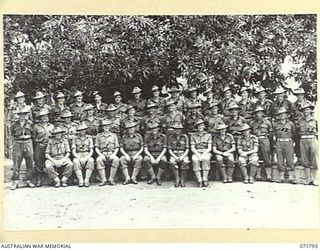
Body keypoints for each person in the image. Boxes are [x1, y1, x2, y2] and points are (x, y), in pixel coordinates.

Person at [10, 108, 36, 190]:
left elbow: (33, 134)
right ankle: (15, 182)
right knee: (16, 162)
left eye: (24, 114)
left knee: (30, 162)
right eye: (20, 114)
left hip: (28, 142)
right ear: (18, 115)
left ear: (26, 115)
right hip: (18, 143)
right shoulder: (14, 124)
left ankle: (29, 180)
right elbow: (12, 134)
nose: (22, 116)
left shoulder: (30, 123)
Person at [250, 106, 273, 181]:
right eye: (257, 113)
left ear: (262, 113)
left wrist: (269, 142)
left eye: (260, 113)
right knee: (257, 156)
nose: (258, 114)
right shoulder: (252, 123)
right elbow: (250, 133)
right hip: (256, 140)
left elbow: (270, 133)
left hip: (264, 139)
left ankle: (269, 175)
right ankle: (258, 174)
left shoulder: (267, 122)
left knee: (266, 157)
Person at [297, 103, 318, 185]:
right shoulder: (299, 120)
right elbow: (297, 132)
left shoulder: (315, 120)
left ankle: (315, 178)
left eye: (307, 109)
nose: (306, 111)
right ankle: (308, 178)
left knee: (314, 159)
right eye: (304, 110)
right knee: (305, 159)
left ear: (310, 110)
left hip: (312, 139)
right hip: (303, 140)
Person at [273, 107, 296, 183]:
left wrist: (293, 142)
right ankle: (281, 176)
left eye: (284, 114)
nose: (282, 115)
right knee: (280, 159)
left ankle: (291, 177)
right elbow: (273, 134)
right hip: (279, 142)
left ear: (287, 115)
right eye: (280, 114)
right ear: (278, 116)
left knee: (290, 159)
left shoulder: (291, 124)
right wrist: (275, 143)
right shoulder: (276, 124)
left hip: (288, 142)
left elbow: (294, 133)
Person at [32, 108, 54, 187]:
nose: (45, 118)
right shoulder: (36, 127)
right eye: (43, 116)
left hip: (49, 146)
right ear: (40, 118)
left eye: (46, 116)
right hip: (40, 145)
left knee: (50, 162)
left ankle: (52, 178)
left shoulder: (51, 126)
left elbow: (54, 137)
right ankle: (39, 179)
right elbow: (34, 138)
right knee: (39, 162)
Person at [95, 119, 120, 186]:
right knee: (98, 160)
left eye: (108, 126)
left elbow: (117, 147)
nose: (106, 127)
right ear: (102, 127)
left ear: (110, 126)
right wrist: (100, 155)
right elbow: (96, 147)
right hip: (102, 153)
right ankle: (103, 180)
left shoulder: (114, 136)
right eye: (104, 126)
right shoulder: (98, 136)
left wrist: (114, 154)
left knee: (116, 159)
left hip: (112, 153)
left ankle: (111, 179)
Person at [190, 119, 212, 187]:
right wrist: (198, 155)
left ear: (204, 126)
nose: (200, 127)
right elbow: (193, 148)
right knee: (195, 160)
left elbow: (209, 148)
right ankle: (199, 179)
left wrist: (203, 155)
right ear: (197, 127)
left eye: (202, 125)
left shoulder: (208, 135)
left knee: (206, 159)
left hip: (205, 152)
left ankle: (205, 179)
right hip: (197, 152)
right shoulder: (193, 135)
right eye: (199, 125)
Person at [72, 123, 94, 187]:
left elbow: (91, 150)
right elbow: (73, 151)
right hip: (78, 154)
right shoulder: (75, 139)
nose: (82, 131)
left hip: (87, 154)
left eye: (84, 130)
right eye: (81, 130)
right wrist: (79, 158)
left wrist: (86, 158)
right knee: (75, 161)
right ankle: (80, 180)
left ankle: (87, 180)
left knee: (91, 160)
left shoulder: (89, 138)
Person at [168, 123, 190, 187]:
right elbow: (169, 149)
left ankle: (183, 179)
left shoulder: (185, 137)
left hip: (183, 153)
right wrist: (175, 156)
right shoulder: (171, 137)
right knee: (172, 162)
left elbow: (187, 149)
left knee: (185, 162)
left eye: (179, 129)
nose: (177, 131)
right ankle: (177, 179)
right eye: (176, 129)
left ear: (181, 130)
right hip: (174, 153)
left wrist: (182, 156)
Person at [292, 88, 309, 166]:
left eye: (301, 95)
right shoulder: (294, 105)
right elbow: (292, 116)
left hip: (306, 125)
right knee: (298, 142)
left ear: (303, 95)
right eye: (298, 95)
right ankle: (299, 158)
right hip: (297, 125)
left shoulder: (308, 104)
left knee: (307, 142)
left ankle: (307, 159)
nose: (300, 96)